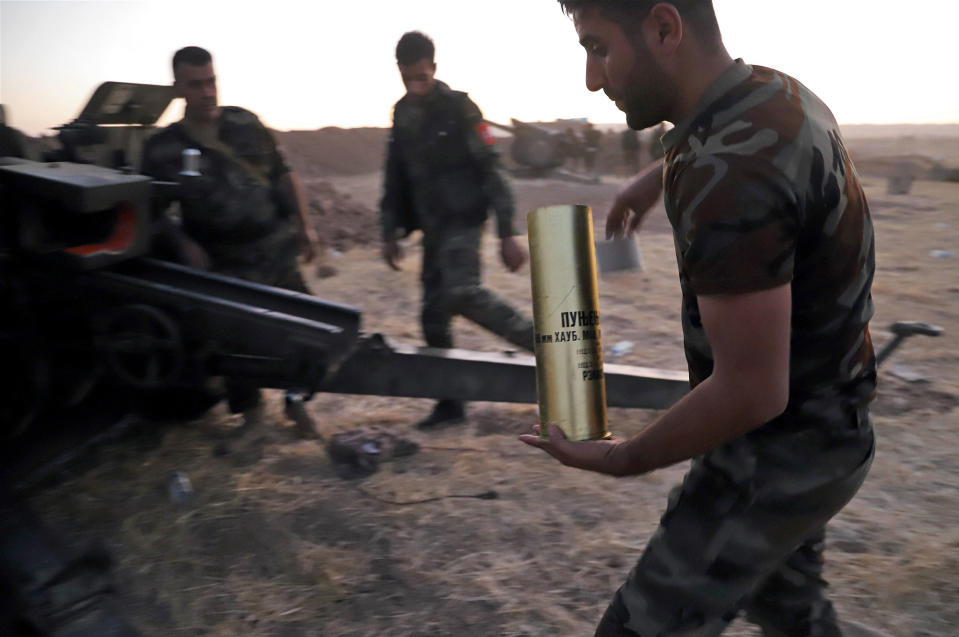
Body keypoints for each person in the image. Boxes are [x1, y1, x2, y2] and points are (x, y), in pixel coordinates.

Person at [520, 2, 879, 636]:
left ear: (664, 28)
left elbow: (751, 390)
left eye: (598, 47)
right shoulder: (775, 92)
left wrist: (622, 457)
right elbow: (746, 144)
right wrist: (659, 175)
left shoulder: (727, 173)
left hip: (772, 459)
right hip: (831, 434)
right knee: (789, 606)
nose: (591, 79)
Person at [140, 46, 321, 438]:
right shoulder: (163, 147)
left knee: (310, 331)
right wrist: (182, 241)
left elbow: (283, 175)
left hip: (275, 249)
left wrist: (306, 226)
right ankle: (251, 414)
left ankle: (295, 402)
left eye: (211, 81)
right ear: (177, 89)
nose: (207, 92)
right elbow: (152, 213)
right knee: (239, 345)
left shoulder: (245, 122)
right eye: (196, 84)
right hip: (226, 262)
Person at [380, 31, 534, 429]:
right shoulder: (401, 114)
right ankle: (450, 403)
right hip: (431, 228)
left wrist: (507, 231)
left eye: (422, 76)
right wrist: (388, 231)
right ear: (399, 72)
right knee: (433, 315)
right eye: (408, 77)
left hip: (464, 219)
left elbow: (492, 168)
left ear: (433, 68)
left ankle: (547, 347)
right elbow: (394, 177)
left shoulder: (459, 108)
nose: (416, 85)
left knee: (461, 292)